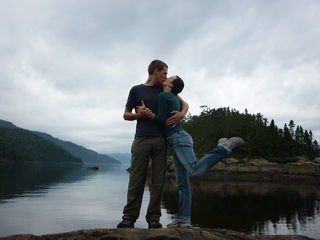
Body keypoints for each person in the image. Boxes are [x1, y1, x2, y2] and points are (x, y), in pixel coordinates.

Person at [140, 75, 244, 228]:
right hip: (177, 140)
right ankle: (183, 220)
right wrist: (183, 112)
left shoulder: (164, 95)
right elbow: (184, 104)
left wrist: (148, 113)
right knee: (183, 184)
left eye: (170, 77)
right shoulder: (173, 96)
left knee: (195, 169)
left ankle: (224, 147)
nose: (166, 77)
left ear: (171, 84)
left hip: (178, 138)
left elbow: (162, 119)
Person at [117, 60, 188, 229]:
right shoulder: (136, 90)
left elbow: (185, 104)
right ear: (155, 71)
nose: (166, 76)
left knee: (158, 180)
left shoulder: (165, 89)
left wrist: (181, 115)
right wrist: (139, 116)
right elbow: (126, 115)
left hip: (161, 139)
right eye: (164, 73)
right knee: (136, 179)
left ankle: (154, 219)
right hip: (141, 139)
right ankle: (129, 217)